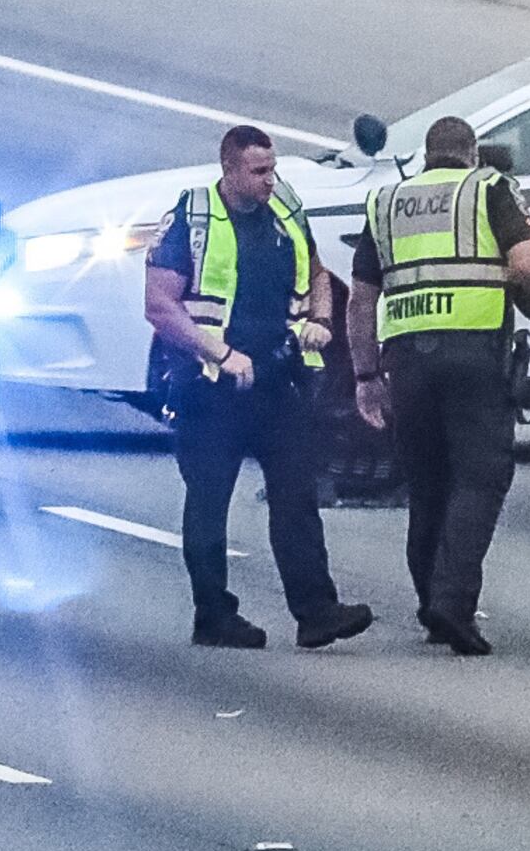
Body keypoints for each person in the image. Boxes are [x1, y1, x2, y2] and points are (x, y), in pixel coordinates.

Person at [142, 126, 376, 651]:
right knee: (208, 501)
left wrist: (319, 316)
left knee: (296, 497)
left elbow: (315, 270)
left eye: (272, 168)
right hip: (208, 389)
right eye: (258, 171)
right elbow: (159, 306)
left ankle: (316, 611)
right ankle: (213, 616)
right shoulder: (192, 219)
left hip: (277, 378)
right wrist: (219, 354)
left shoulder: (284, 205)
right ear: (230, 170)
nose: (271, 180)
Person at [346, 115, 530, 656]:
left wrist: (365, 376)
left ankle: (431, 606)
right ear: (472, 152)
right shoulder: (490, 188)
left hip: (406, 361)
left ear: (427, 156)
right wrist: (528, 297)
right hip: (474, 354)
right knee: (480, 479)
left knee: (428, 484)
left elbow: (361, 299)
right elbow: (529, 265)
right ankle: (452, 604)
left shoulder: (386, 203)